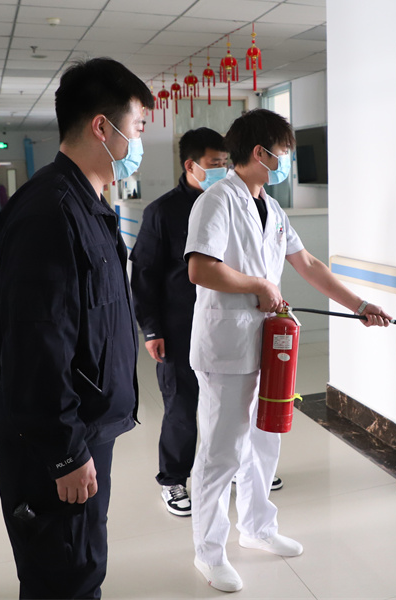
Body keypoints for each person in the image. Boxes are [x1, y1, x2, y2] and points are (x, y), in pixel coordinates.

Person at [185, 109, 392, 593]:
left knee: (265, 440)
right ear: (261, 153)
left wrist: (360, 305)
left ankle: (257, 528)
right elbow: (200, 268)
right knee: (221, 452)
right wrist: (259, 285)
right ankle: (208, 552)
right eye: (284, 153)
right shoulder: (217, 201)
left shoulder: (272, 209)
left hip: (269, 343)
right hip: (226, 346)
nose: (287, 163)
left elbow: (309, 264)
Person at [0, 57, 152, 599]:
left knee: (80, 567)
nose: (139, 143)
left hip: (84, 428)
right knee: (65, 580)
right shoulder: (51, 212)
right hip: (56, 441)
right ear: (102, 127)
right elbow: (35, 345)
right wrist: (66, 452)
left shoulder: (89, 204)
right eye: (137, 128)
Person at [130, 128, 231, 517]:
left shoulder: (230, 204)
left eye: (225, 163)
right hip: (179, 326)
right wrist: (152, 329)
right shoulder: (163, 212)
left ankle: (229, 469)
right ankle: (173, 478)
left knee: (229, 403)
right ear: (191, 165)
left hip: (226, 321)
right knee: (182, 406)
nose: (223, 170)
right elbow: (144, 275)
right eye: (215, 164)